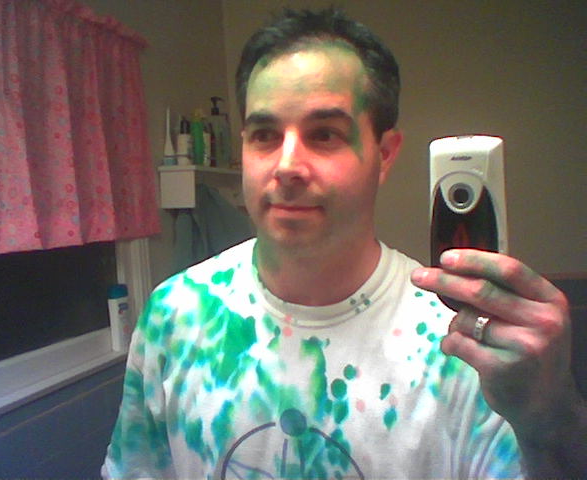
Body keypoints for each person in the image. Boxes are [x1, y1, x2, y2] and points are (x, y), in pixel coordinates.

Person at [102, 8, 586, 479]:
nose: (286, 166)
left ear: (385, 154)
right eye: (265, 135)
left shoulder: (463, 344)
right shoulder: (175, 316)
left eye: (324, 134)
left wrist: (551, 416)